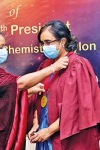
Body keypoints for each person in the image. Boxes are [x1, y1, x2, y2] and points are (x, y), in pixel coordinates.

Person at [0, 29, 69, 150]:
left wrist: (29, 91)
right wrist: (53, 68)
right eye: (0, 47)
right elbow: (19, 83)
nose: (5, 50)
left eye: (4, 46)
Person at [28, 20, 100, 150]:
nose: (44, 47)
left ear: (63, 41)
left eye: (48, 42)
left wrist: (49, 131)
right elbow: (38, 98)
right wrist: (36, 123)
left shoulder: (78, 65)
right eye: (43, 43)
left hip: (67, 137)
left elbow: (77, 108)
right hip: (44, 132)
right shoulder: (46, 65)